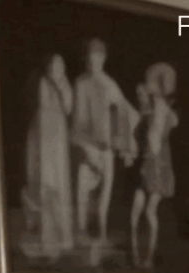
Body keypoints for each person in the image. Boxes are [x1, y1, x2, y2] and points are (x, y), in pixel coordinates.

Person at [70, 39, 139, 244]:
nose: (94, 64)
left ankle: (101, 233)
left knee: (104, 193)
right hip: (87, 144)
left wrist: (124, 144)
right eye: (90, 60)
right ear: (86, 60)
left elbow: (126, 112)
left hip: (106, 146)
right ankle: (81, 230)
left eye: (98, 60)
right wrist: (86, 147)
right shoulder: (81, 83)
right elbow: (77, 121)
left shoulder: (109, 84)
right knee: (83, 190)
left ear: (104, 59)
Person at [21, 53, 74, 261]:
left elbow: (68, 107)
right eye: (54, 64)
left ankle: (63, 237)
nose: (57, 68)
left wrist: (61, 88)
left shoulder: (65, 84)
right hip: (44, 135)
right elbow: (44, 105)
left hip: (59, 136)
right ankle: (47, 238)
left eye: (60, 65)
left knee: (60, 183)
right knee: (45, 182)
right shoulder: (43, 82)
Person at [130, 63, 178, 269]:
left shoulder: (161, 109)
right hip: (148, 165)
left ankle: (148, 258)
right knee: (137, 211)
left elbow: (155, 143)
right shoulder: (154, 108)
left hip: (157, 167)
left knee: (149, 211)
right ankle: (137, 256)